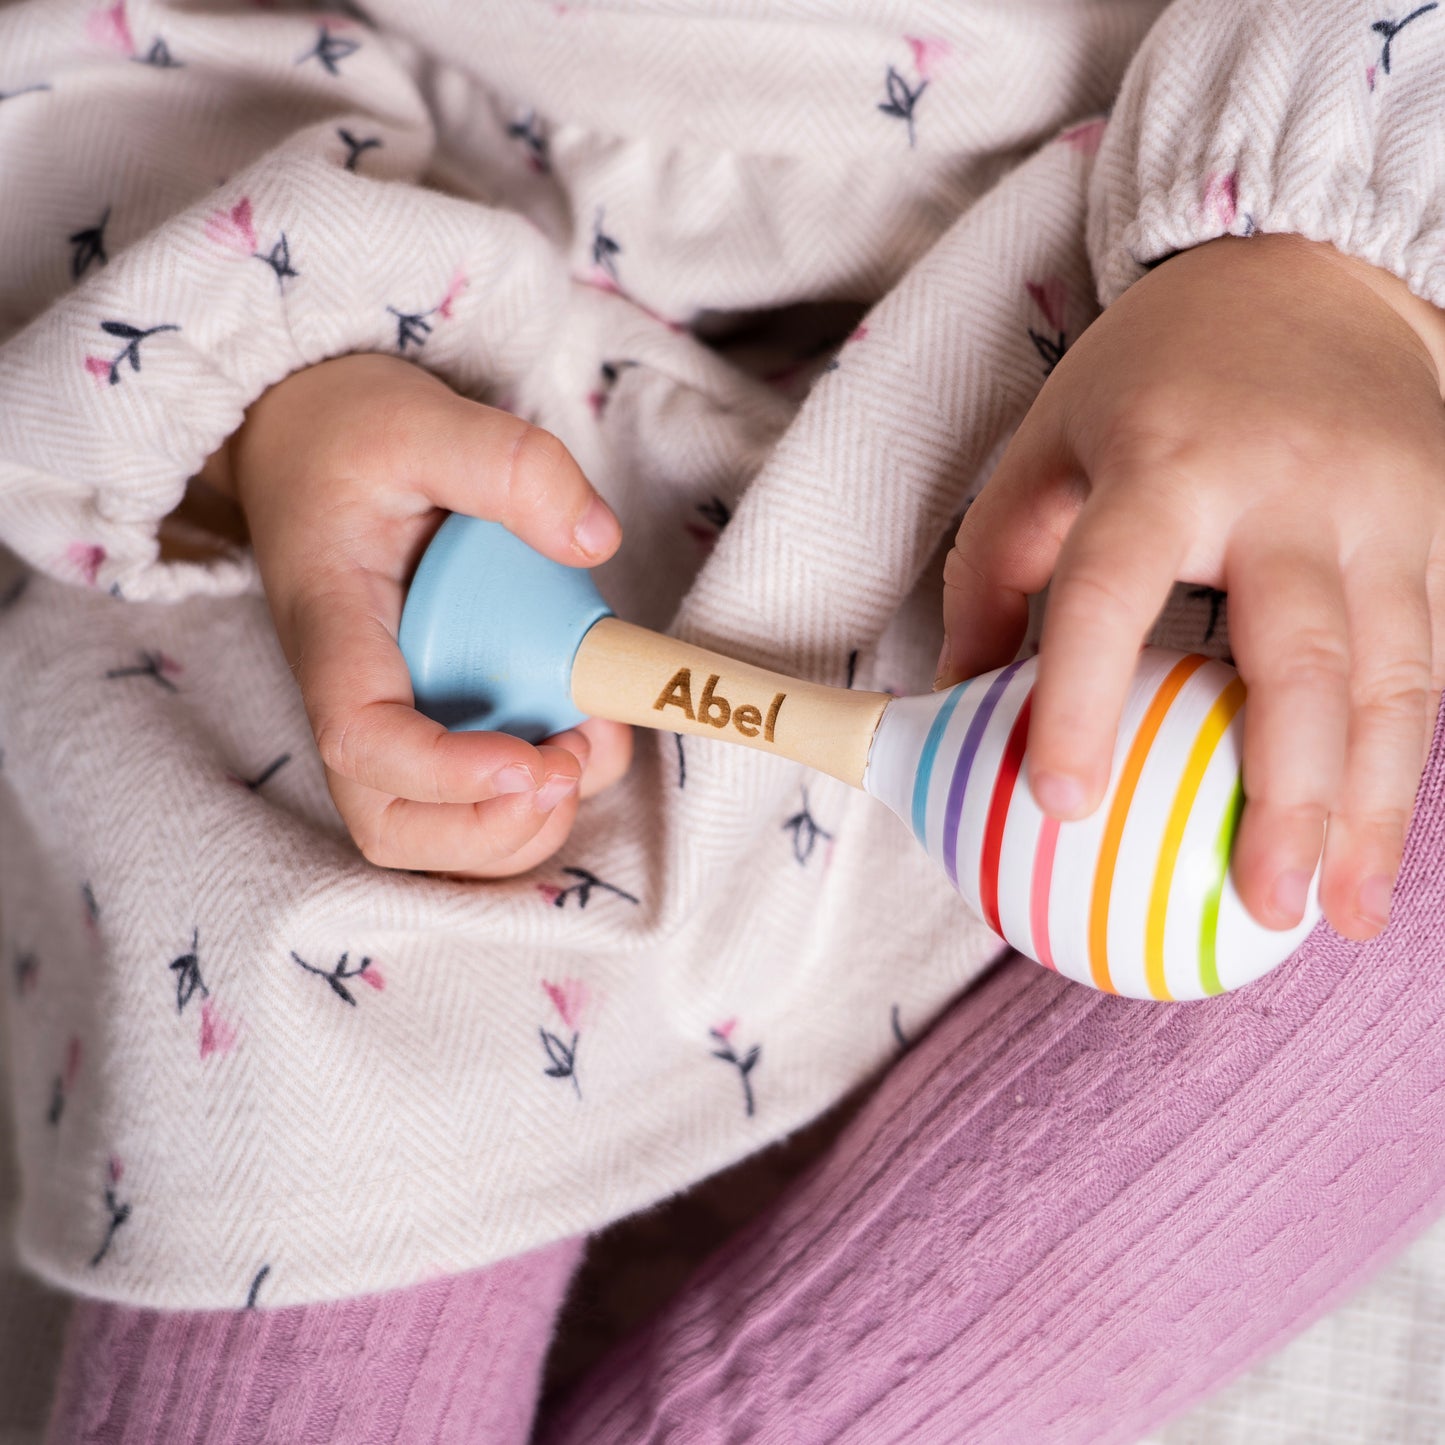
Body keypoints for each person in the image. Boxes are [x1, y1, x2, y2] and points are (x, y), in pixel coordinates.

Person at [2, 1, 1443, 1439]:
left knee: (1387, 824)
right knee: (306, 939)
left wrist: (1334, 273)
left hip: (1163, 398)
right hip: (440, 405)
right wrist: (279, 382)